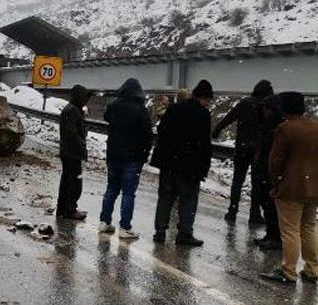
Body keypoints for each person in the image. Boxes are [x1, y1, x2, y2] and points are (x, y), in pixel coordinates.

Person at [261, 92, 318, 284]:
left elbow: (275, 160)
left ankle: (289, 270)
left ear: (285, 109)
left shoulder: (285, 129)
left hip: (291, 187)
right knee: (309, 227)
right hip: (313, 187)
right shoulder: (315, 127)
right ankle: (312, 269)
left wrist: (275, 181)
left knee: (290, 230)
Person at [150, 80, 214, 246]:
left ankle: (160, 231)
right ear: (204, 98)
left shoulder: (174, 109)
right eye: (208, 100)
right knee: (188, 200)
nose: (208, 104)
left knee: (165, 198)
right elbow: (205, 145)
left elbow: (161, 132)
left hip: (169, 163)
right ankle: (184, 233)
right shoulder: (202, 115)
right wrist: (204, 167)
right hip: (189, 167)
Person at [98, 78, 154, 239]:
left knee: (111, 189)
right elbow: (147, 135)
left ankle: (104, 221)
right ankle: (125, 227)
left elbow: (107, 118)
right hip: (132, 158)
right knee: (128, 193)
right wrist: (143, 154)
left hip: (113, 155)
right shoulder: (141, 110)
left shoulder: (114, 106)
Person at [212, 80, 274, 224]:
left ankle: (232, 211)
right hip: (258, 149)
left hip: (242, 147)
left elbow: (229, 118)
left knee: (237, 180)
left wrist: (217, 130)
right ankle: (254, 214)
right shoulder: (266, 107)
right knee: (257, 182)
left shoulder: (245, 103)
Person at [252, 95, 284, 251]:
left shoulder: (277, 128)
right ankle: (270, 234)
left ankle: (275, 236)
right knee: (266, 204)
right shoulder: (267, 126)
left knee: (271, 206)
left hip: (270, 172)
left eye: (267, 108)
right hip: (264, 170)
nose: (264, 111)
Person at [57, 85, 92, 221]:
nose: (85, 101)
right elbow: (73, 134)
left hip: (69, 152)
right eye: (84, 98)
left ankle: (63, 209)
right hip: (72, 153)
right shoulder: (72, 111)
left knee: (67, 181)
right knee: (74, 183)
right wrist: (82, 148)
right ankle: (69, 210)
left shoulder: (72, 109)